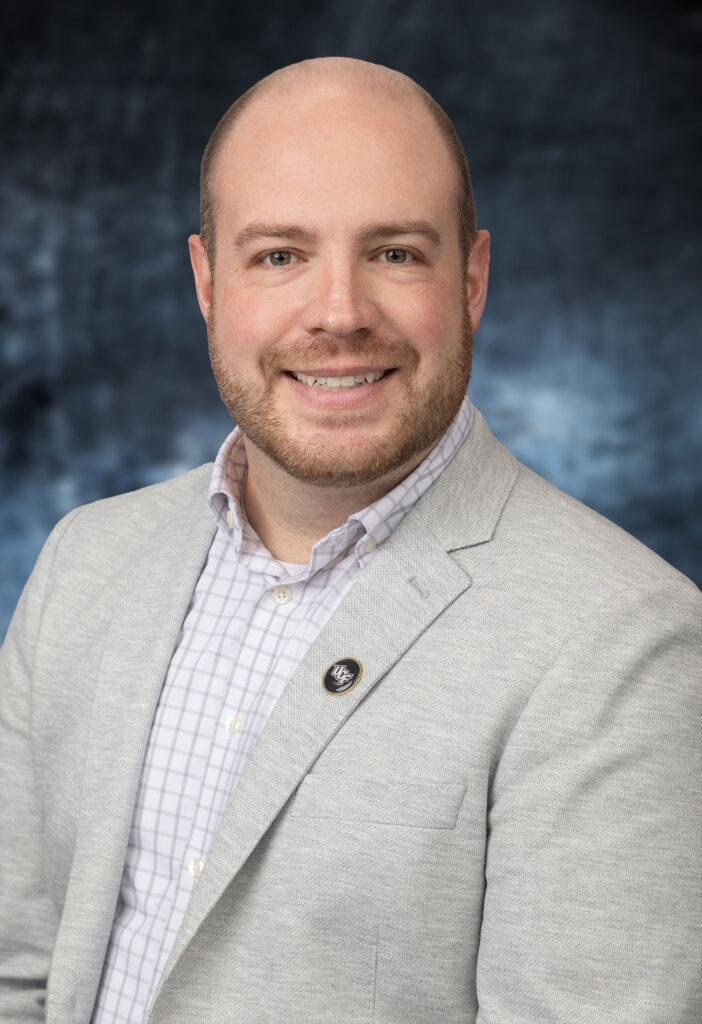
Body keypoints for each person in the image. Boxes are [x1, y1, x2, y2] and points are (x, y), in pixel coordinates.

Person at [0, 57, 699, 1024]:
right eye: (279, 255)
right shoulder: (85, 561)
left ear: (474, 278)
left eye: (396, 253)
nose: (339, 312)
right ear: (208, 281)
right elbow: (17, 973)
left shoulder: (625, 639)